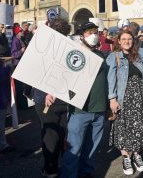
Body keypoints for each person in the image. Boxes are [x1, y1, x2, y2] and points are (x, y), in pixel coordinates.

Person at [106, 28, 143, 176]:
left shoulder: (141, 53)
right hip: (124, 97)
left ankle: (137, 155)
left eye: (129, 39)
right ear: (119, 42)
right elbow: (111, 79)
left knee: (139, 126)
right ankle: (126, 157)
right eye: (124, 39)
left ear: (133, 41)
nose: (127, 42)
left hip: (141, 96)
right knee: (124, 127)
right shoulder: (114, 56)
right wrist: (112, 99)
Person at [61, 22, 108, 178]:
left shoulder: (102, 55)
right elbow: (63, 78)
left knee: (92, 147)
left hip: (99, 109)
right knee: (74, 148)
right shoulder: (75, 54)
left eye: (95, 32)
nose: (93, 35)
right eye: (89, 32)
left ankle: (85, 172)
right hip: (79, 111)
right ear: (82, 36)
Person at [32, 19, 70, 178]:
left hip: (52, 99)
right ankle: (60, 167)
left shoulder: (40, 46)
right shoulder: (66, 48)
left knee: (52, 136)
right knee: (62, 136)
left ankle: (52, 169)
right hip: (53, 99)